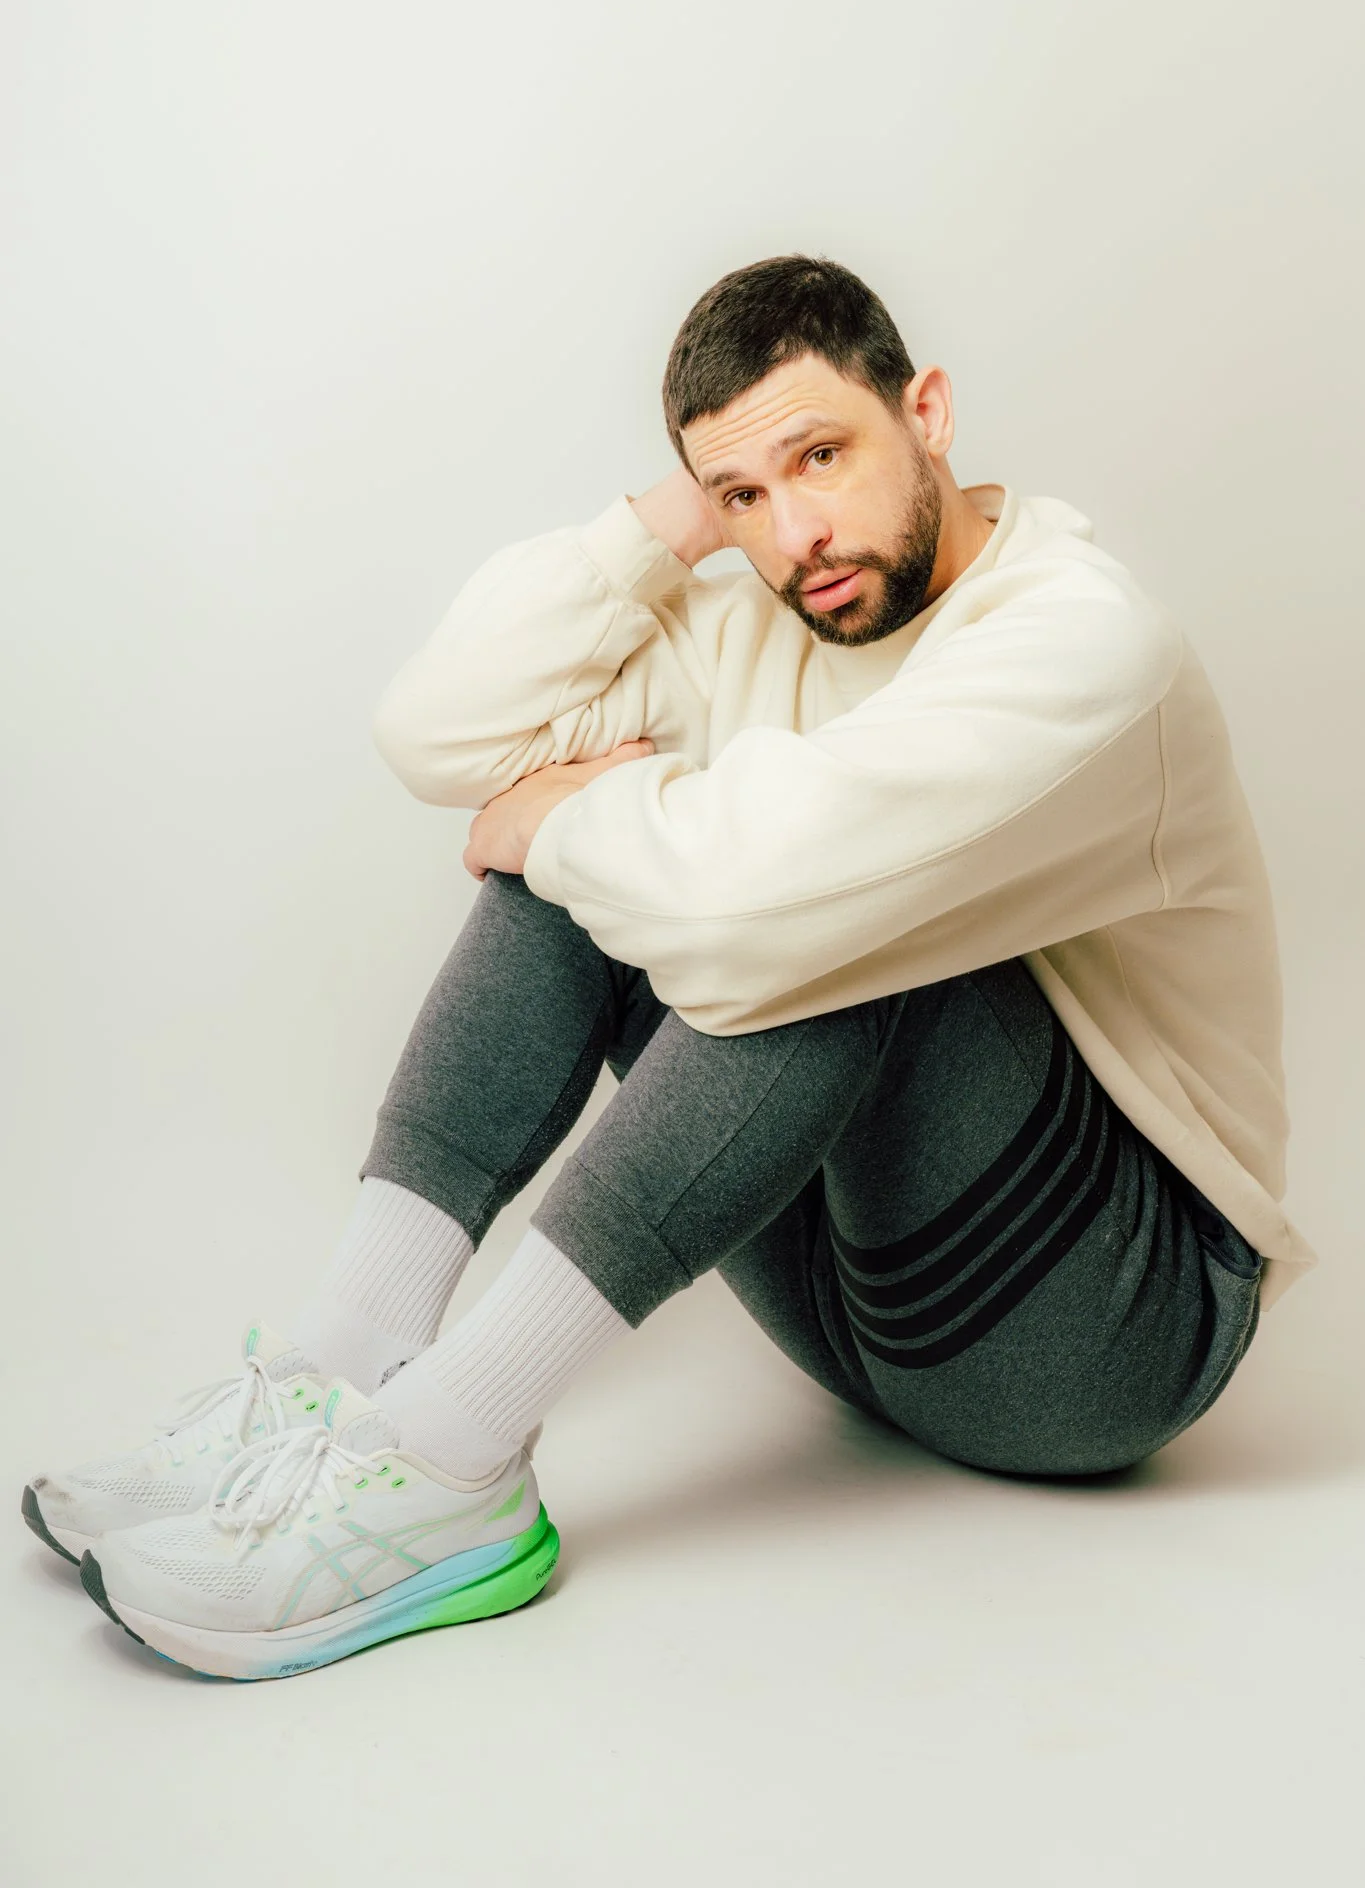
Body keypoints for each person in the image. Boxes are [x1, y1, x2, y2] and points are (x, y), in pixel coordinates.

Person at [24, 252, 1317, 1680]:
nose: (798, 532)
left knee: (795, 904)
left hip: (1105, 1336)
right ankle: (348, 1359)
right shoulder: (774, 606)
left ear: (929, 414)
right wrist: (664, 529)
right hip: (859, 1306)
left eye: (824, 454)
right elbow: (439, 733)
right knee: (609, 837)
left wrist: (563, 821)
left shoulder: (1084, 643)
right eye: (746, 497)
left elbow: (760, 908)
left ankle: (452, 1462)